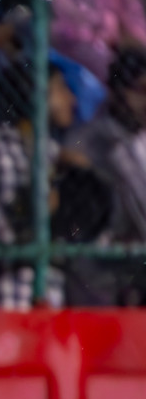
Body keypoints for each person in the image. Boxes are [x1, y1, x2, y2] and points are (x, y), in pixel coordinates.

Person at [0, 66, 86, 309]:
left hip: (46, 295)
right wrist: (31, 208)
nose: (71, 99)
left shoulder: (54, 154)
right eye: (60, 89)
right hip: (1, 297)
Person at [71, 47, 146, 302]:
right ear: (116, 93)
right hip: (101, 275)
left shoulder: (140, 141)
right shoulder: (90, 141)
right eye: (141, 91)